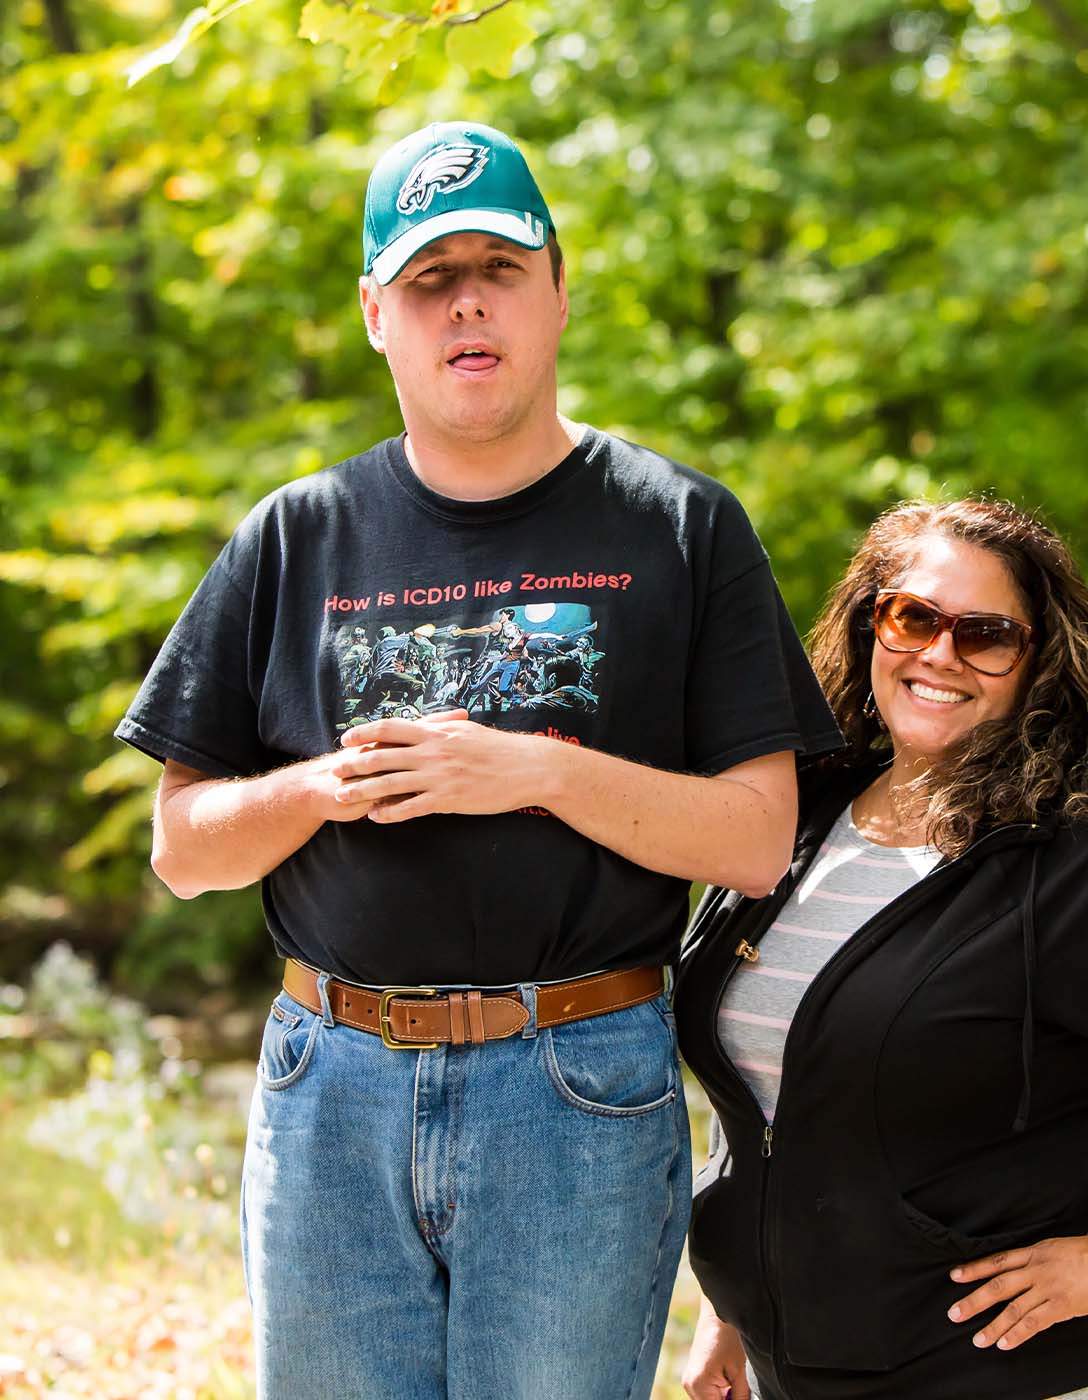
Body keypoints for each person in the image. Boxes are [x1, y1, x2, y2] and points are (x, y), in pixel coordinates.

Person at [115, 120, 843, 1400]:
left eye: (497, 268)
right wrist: (320, 786)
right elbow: (183, 852)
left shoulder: (678, 524)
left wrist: (534, 770)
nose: (465, 301)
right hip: (326, 1086)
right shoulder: (296, 535)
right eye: (426, 275)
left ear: (557, 290)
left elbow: (753, 835)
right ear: (374, 314)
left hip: (575, 1083)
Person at [675, 498, 1088, 1400]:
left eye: (987, 635)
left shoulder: (1085, 852)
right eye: (913, 618)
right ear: (869, 627)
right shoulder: (794, 819)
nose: (941, 654)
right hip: (805, 1363)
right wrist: (732, 1311)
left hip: (1021, 1370)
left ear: (1037, 664)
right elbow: (777, 1098)